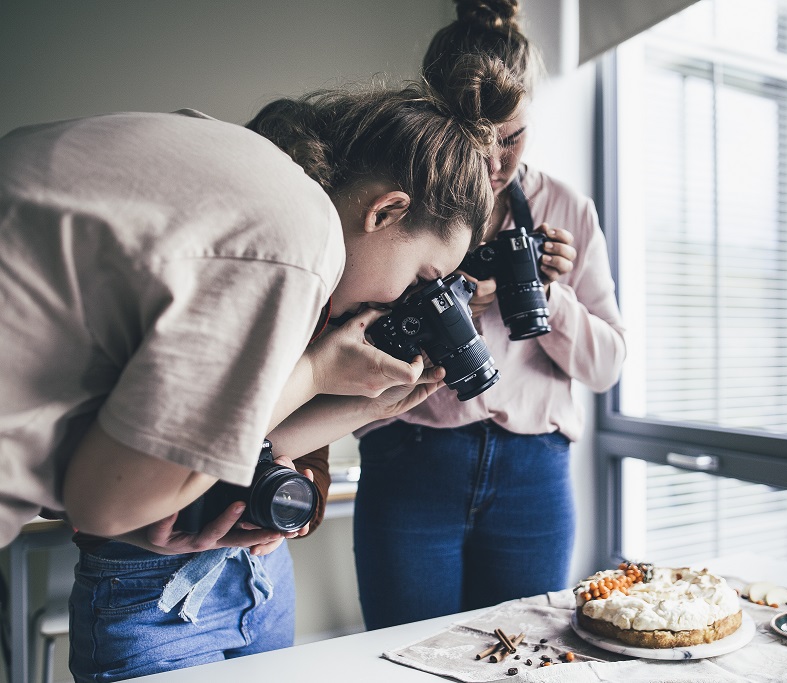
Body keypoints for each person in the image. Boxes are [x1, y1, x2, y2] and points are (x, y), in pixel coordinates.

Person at [0, 54, 523, 680]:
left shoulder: (230, 159)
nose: (404, 305)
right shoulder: (297, 241)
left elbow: (170, 450)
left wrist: (359, 406)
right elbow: (105, 507)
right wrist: (314, 375)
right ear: (385, 211)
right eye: (420, 278)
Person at [352, 0, 628, 630]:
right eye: (476, 142)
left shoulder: (566, 208)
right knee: (406, 662)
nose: (496, 163)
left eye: (513, 137)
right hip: (412, 456)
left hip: (535, 472)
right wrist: (442, 297)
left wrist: (545, 295)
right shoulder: (395, 205)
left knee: (523, 663)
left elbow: (608, 366)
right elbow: (350, 335)